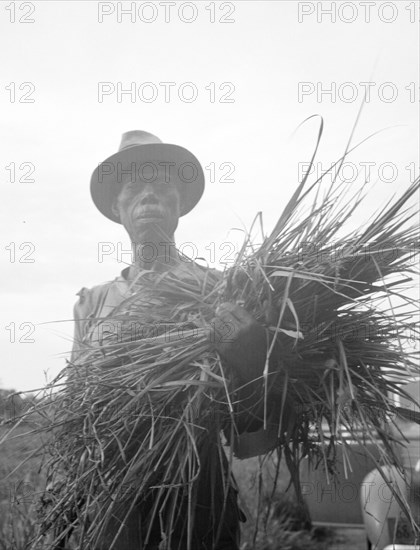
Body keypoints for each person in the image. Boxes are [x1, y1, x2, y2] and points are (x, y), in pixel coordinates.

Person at [66, 131, 287, 550]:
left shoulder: (224, 293)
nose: (148, 195)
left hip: (198, 494)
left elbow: (251, 438)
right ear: (117, 207)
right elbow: (78, 411)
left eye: (162, 185)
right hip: (115, 502)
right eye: (134, 187)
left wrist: (250, 357)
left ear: (179, 204)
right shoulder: (92, 304)